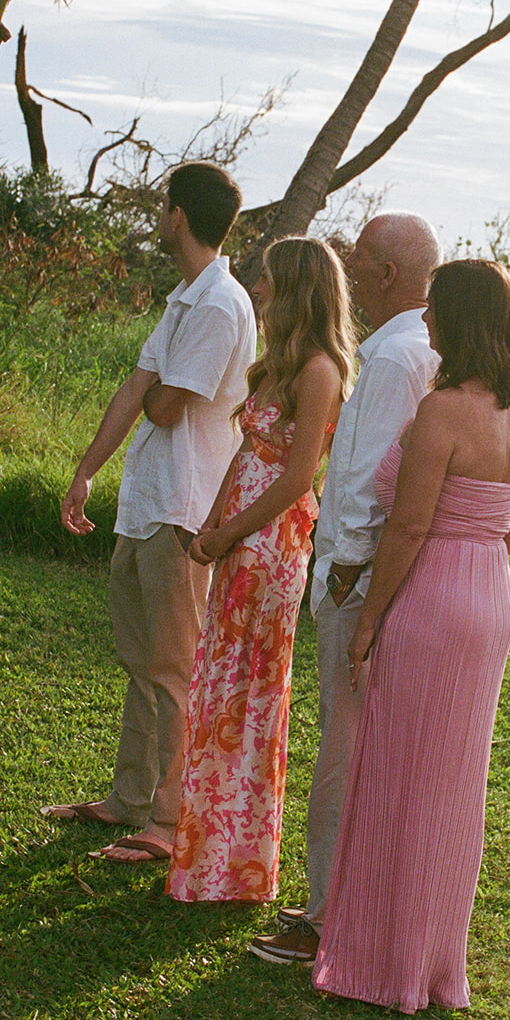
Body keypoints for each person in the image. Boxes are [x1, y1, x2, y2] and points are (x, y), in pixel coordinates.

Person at [309, 258, 510, 1014]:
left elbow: (406, 524)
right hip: (489, 600)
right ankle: (432, 962)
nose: (427, 322)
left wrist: (369, 617)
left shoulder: (441, 412)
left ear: (459, 322)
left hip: (434, 595)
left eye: (436, 311)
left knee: (398, 770)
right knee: (452, 784)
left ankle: (384, 963)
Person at [43, 163, 256, 864]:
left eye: (163, 206)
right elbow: (137, 387)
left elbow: (164, 405)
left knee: (172, 669)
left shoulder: (221, 304)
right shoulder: (184, 298)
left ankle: (166, 824)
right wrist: (85, 472)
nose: (157, 215)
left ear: (179, 216)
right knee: (139, 661)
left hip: (183, 508)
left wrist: (156, 385)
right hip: (146, 502)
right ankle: (128, 800)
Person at [247, 212, 442, 963]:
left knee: (343, 749)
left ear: (387, 273)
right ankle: (336, 904)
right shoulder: (414, 347)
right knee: (354, 744)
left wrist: (345, 570)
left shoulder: (395, 356)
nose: (350, 269)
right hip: (362, 570)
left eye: (359, 257)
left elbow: (365, 480)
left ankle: (324, 914)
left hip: (354, 574)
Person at [165, 237, 354, 901]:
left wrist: (233, 534)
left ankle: (234, 867)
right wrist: (211, 528)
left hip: (272, 543)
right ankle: (202, 851)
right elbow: (246, 453)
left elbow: (298, 477)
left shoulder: (320, 370)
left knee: (248, 695)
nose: (261, 290)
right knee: (218, 685)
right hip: (238, 532)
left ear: (298, 288)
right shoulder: (275, 365)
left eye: (270, 280)